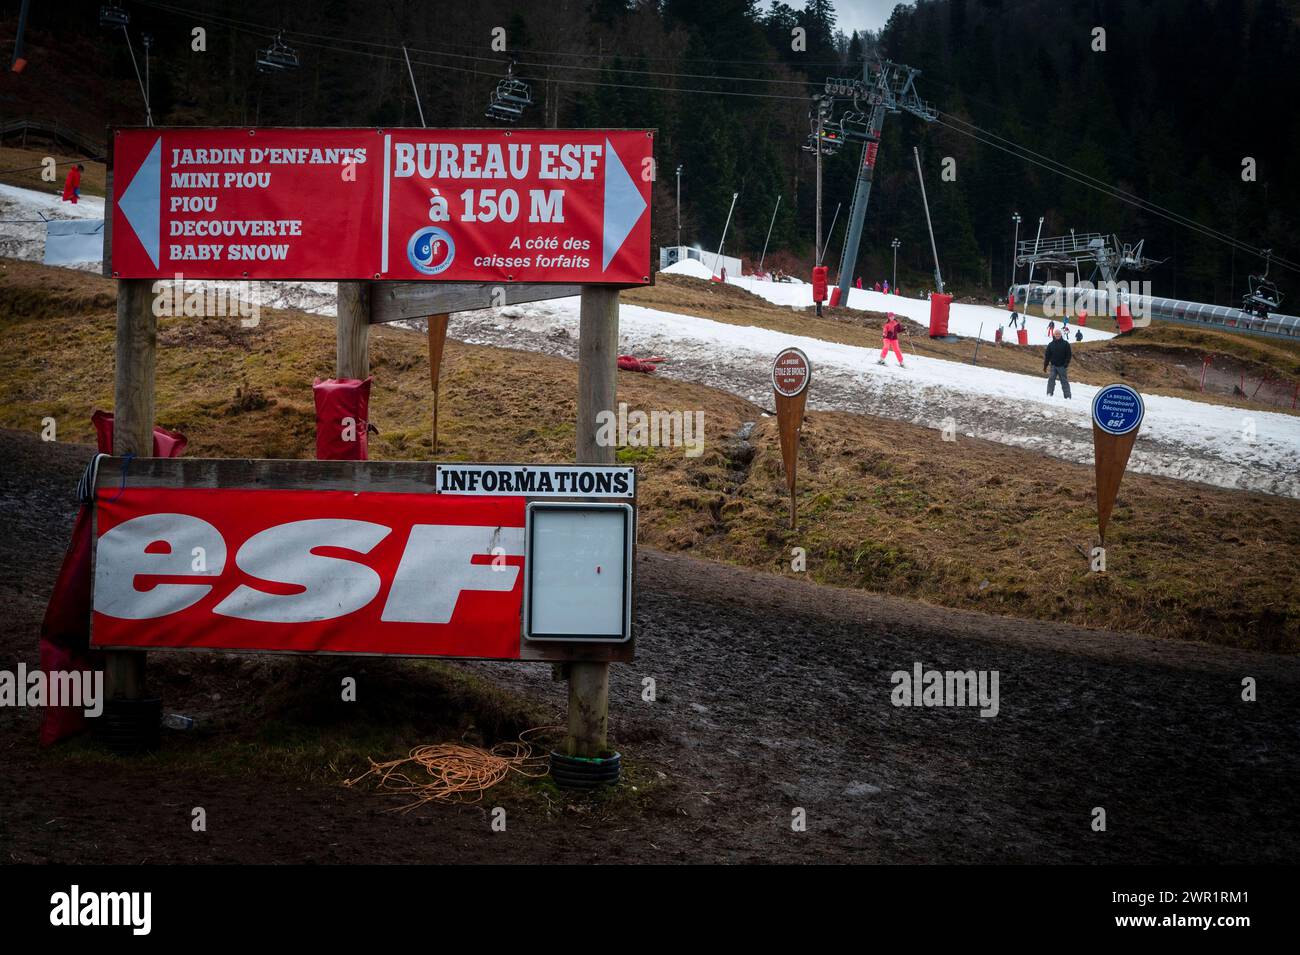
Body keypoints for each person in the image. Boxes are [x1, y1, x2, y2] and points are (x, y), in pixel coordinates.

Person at [1044, 329, 1072, 399]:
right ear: (1054, 335)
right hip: (1053, 366)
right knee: (1051, 380)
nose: (1057, 335)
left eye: (1059, 334)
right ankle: (1049, 394)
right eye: (1056, 334)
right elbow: (1047, 356)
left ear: (1061, 335)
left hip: (1062, 366)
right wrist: (1045, 366)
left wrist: (1066, 364)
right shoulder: (1051, 345)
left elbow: (1069, 355)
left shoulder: (1066, 344)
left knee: (1064, 381)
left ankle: (1067, 396)